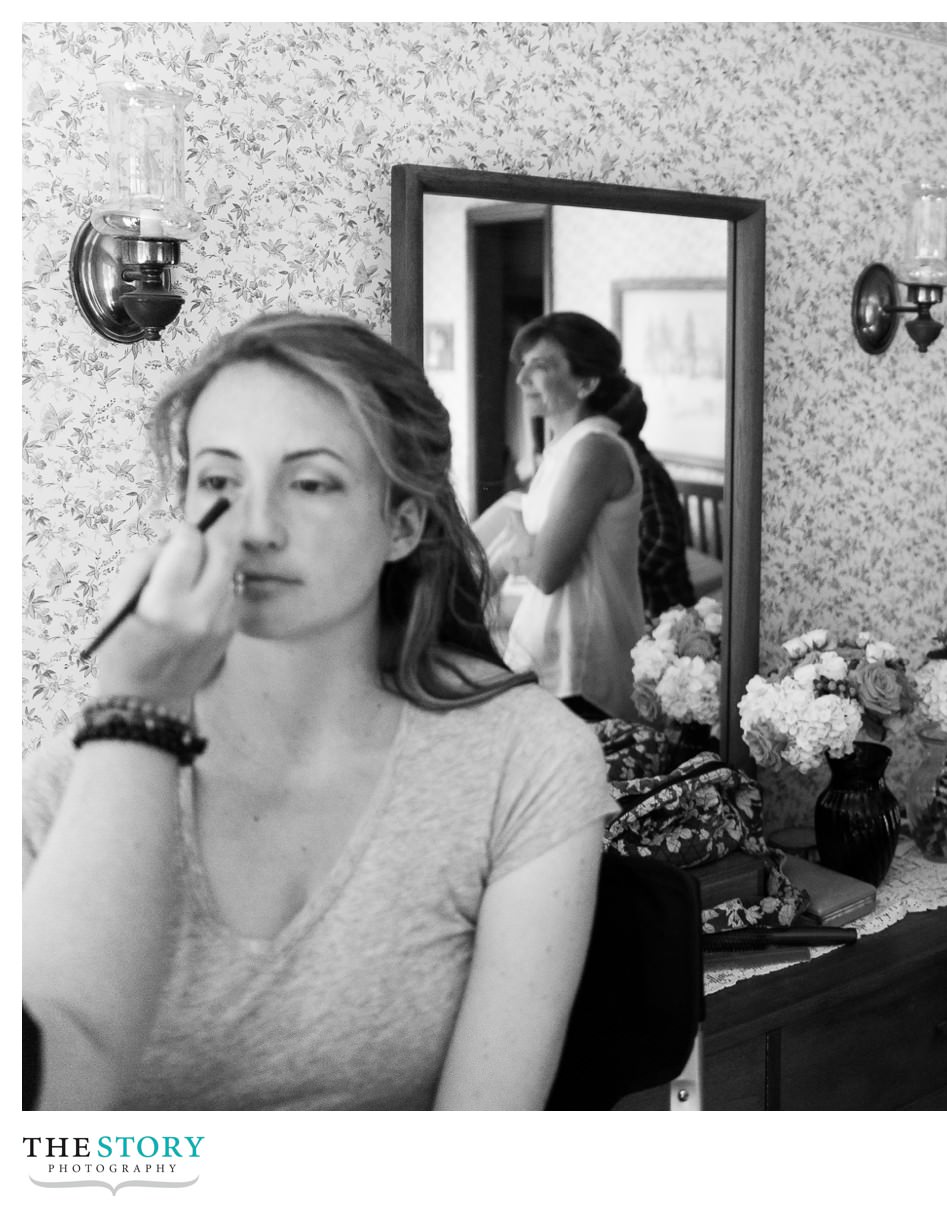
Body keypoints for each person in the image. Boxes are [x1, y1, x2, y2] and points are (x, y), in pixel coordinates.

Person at [22, 312, 611, 1110]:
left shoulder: (525, 761)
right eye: (219, 483)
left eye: (311, 483)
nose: (257, 530)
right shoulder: (64, 793)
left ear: (402, 523)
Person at [483, 313, 645, 722]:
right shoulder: (562, 450)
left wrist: (517, 552)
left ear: (586, 383)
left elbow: (546, 574)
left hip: (581, 669)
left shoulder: (595, 449)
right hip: (549, 656)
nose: (521, 382)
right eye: (522, 366)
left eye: (540, 367)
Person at [605, 382, 697, 619]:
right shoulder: (630, 466)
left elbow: (662, 540)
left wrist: (615, 568)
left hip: (662, 609)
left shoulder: (642, 471)